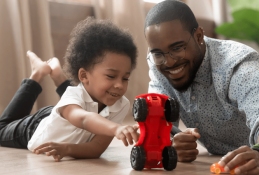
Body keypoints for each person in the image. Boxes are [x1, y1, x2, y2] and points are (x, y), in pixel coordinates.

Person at [0, 17, 139, 162]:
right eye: (111, 76)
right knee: (1, 129)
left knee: (82, 95)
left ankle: (58, 76)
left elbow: (97, 147)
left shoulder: (121, 104)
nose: (120, 85)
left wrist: (67, 148)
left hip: (65, 114)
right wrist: (116, 128)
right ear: (83, 75)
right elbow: (83, 119)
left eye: (125, 78)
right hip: (37, 126)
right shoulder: (75, 97)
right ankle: (38, 73)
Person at [144, 0, 259, 174]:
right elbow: (157, 122)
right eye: (158, 53)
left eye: (177, 48)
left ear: (199, 36)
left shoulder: (237, 65)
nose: (168, 61)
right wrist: (171, 144)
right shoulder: (158, 64)